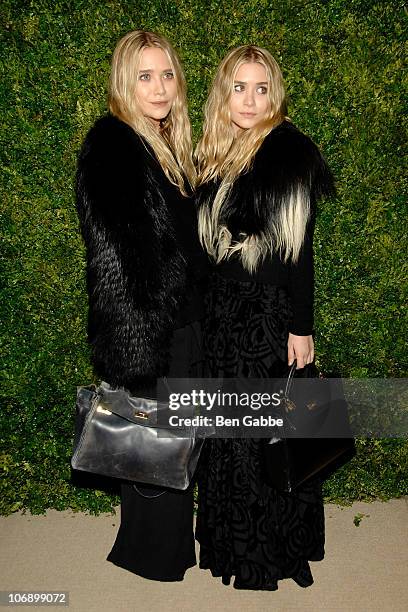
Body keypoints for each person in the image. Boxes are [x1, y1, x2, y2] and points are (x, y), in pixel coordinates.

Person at [194, 45, 335, 590]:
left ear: (273, 93)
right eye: (239, 87)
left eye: (261, 88)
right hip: (222, 318)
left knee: (269, 435)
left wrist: (302, 326)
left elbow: (301, 251)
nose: (250, 99)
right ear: (223, 93)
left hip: (268, 319)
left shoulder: (288, 152)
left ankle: (269, 553)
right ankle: (230, 541)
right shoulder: (215, 152)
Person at [75, 30, 207, 582]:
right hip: (154, 327)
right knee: (154, 445)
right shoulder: (113, 142)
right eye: (145, 76)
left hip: (184, 321)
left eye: (167, 74)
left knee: (175, 443)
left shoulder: (167, 144)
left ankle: (167, 545)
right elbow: (116, 252)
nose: (159, 88)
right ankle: (152, 555)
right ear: (124, 82)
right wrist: (142, 339)